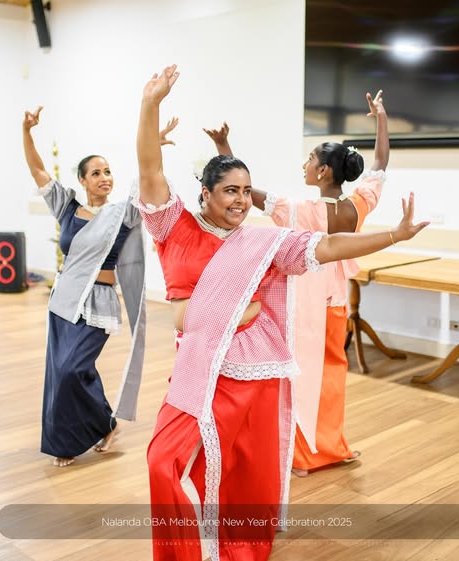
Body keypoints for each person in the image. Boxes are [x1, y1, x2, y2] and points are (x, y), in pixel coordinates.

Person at [136, 64, 427, 561]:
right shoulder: (174, 227)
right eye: (230, 190)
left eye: (245, 191)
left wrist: (393, 237)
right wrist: (150, 104)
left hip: (255, 367)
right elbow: (150, 172)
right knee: (165, 461)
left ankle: (237, 546)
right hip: (201, 363)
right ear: (205, 193)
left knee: (244, 467)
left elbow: (328, 245)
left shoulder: (260, 240)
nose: (241, 201)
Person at [203, 91, 388, 477]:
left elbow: (246, 194)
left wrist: (223, 147)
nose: (305, 164)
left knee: (300, 377)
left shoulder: (300, 210)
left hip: (302, 308)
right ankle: (330, 446)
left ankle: (303, 455)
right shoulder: (358, 205)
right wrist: (381, 119)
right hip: (336, 304)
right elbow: (380, 164)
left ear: (323, 172)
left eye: (310, 160)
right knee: (331, 376)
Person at [23, 105, 177, 467]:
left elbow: (147, 177)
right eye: (96, 173)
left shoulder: (123, 212)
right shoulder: (67, 207)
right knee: (61, 372)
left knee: (73, 369)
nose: (104, 177)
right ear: (82, 180)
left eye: (108, 171)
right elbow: (38, 170)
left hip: (99, 304)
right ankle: (84, 435)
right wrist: (26, 132)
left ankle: (101, 425)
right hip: (63, 303)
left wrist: (154, 144)